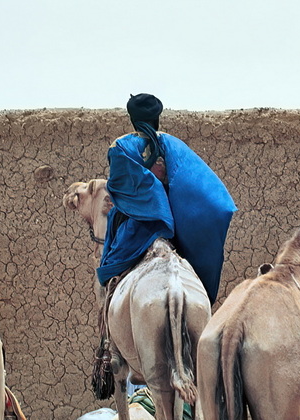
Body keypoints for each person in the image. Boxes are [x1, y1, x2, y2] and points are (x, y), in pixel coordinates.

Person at [97, 93, 236, 305]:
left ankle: (108, 325)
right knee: (195, 269)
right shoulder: (172, 144)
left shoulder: (121, 146)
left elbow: (118, 187)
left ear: (132, 118)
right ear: (157, 117)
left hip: (138, 225)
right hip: (175, 222)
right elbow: (192, 181)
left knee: (110, 266)